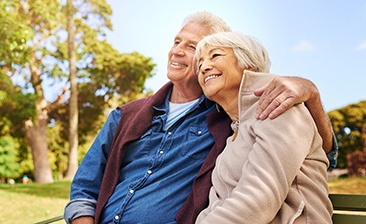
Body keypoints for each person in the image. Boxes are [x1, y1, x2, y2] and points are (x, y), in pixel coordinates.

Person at [64, 11, 337, 224]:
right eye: (176, 42)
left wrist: (311, 93)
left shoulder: (230, 118)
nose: (179, 51)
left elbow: (319, 154)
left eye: (197, 48)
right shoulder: (126, 115)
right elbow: (84, 190)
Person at [194, 31, 333, 223]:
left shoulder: (279, 106)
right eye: (200, 63)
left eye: (215, 55)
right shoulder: (233, 133)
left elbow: (258, 200)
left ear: (249, 64)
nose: (203, 67)